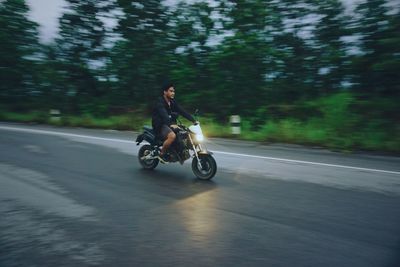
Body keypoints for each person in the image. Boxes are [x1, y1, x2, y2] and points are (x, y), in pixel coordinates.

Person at [152, 83, 197, 163]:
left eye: (174, 91)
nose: (173, 93)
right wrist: (171, 124)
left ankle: (179, 152)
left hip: (168, 123)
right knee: (172, 136)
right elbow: (164, 115)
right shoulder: (160, 102)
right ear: (165, 92)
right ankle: (162, 154)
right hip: (160, 125)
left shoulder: (172, 102)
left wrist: (193, 120)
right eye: (171, 91)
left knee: (185, 132)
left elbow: (182, 111)